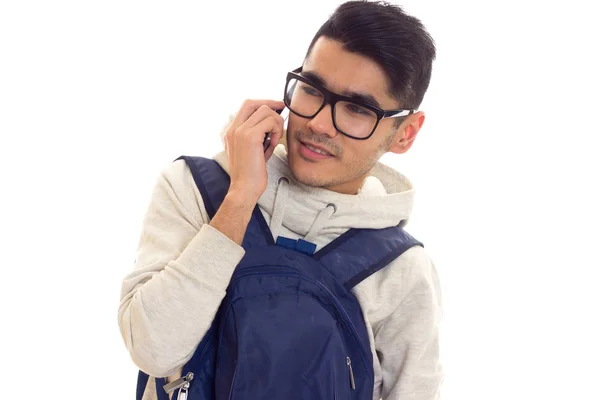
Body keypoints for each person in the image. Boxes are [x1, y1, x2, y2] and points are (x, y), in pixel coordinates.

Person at [118, 1, 444, 399]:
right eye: (312, 89)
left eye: (357, 109)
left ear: (405, 133)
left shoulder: (401, 271)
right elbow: (153, 350)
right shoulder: (196, 190)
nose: (319, 124)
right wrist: (239, 199)